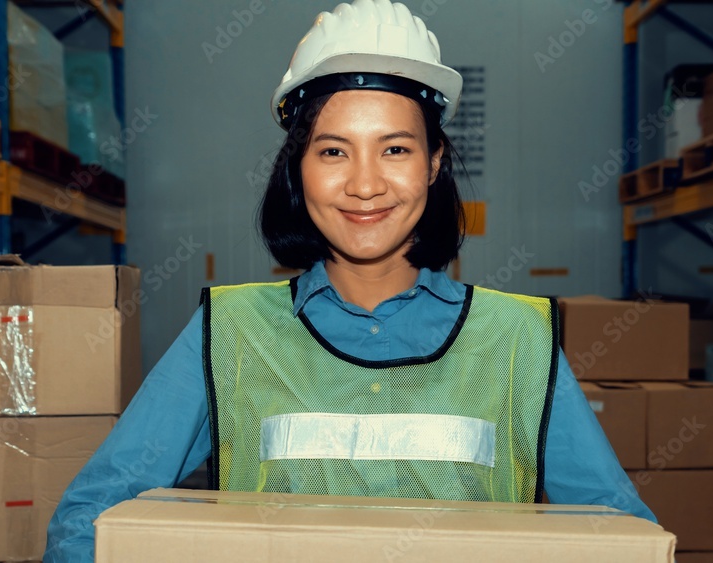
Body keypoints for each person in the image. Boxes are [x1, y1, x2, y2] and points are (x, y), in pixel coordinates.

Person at [44, 1, 656, 560]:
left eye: (395, 149)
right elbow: (91, 518)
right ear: (299, 168)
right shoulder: (231, 333)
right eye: (334, 152)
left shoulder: (517, 339)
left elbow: (618, 532)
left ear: (434, 161)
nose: (365, 185)